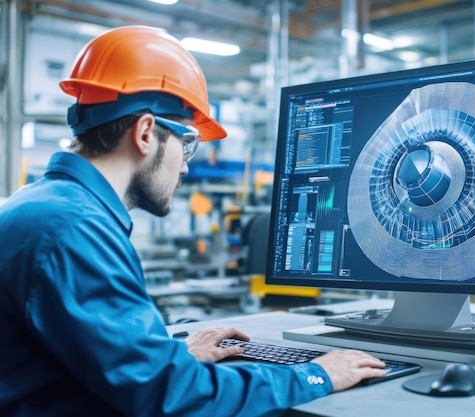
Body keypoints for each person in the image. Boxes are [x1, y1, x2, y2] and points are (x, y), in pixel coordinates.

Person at [0, 26, 387, 417]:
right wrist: (315, 375)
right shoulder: (74, 229)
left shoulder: (41, 207)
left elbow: (90, 357)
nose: (186, 165)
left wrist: (173, 356)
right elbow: (171, 396)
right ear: (146, 132)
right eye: (187, 143)